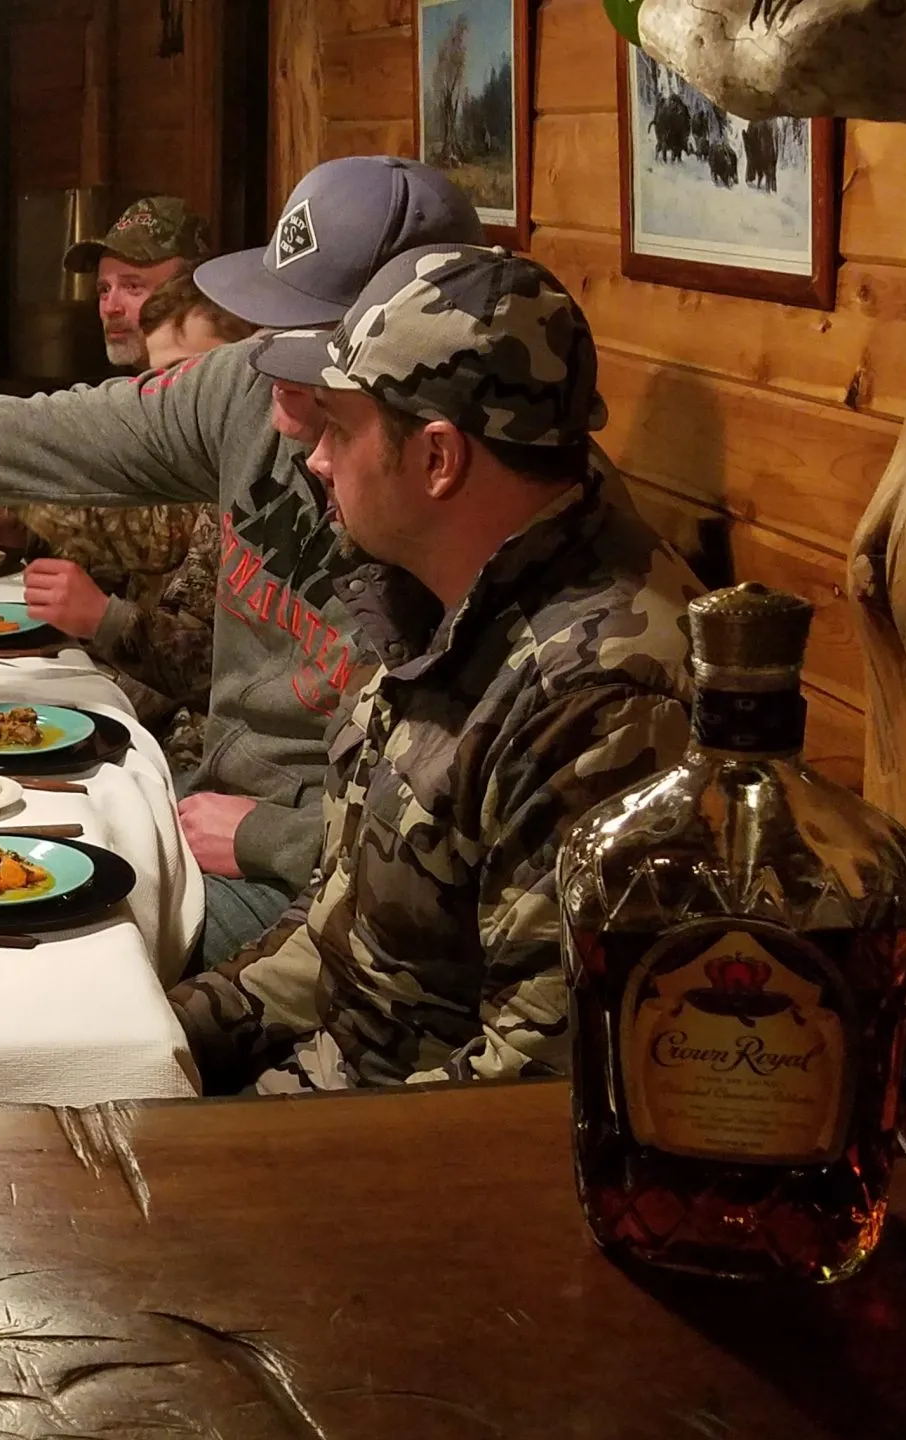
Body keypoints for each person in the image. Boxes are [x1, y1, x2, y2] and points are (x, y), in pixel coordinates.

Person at [0, 156, 487, 970]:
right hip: (203, 799)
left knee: (13, 975)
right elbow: (59, 432)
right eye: (271, 327)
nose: (272, 378)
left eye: (314, 351)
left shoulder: (462, 510)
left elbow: (465, 855)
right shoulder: (252, 389)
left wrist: (276, 835)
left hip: (306, 870)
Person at [167, 244, 699, 1091]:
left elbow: (531, 1083)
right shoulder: (431, 594)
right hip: (336, 1084)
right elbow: (335, 933)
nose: (316, 459)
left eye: (341, 429)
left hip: (406, 1140)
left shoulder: (598, 698)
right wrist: (159, 1040)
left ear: (438, 458)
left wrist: (237, 1132)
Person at [20, 275, 256, 772]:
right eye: (157, 382)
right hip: (171, 724)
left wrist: (102, 619)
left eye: (186, 377)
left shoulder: (260, 480)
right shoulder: (213, 473)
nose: (166, 403)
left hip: (219, 762)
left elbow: (221, 672)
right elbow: (187, 641)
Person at [61, 194, 216, 370]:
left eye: (132, 287)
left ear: (191, 292)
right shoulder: (135, 386)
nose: (110, 308)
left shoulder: (228, 379)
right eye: (104, 289)